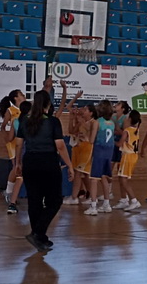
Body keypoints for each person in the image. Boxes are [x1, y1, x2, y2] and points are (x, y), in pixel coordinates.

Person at [14, 90, 74, 252]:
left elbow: (19, 144)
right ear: (48, 104)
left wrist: (17, 163)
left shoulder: (25, 120)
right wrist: (69, 165)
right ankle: (38, 233)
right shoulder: (52, 121)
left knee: (34, 200)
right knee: (55, 201)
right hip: (48, 162)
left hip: (30, 162)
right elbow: (60, 146)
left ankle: (39, 237)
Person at [84, 100, 115, 216]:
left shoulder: (97, 122)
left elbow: (92, 140)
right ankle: (107, 204)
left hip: (99, 152)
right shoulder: (112, 123)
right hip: (108, 152)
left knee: (93, 179)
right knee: (103, 177)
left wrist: (86, 135)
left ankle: (93, 206)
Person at [63, 104, 96, 205]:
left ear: (91, 113)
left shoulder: (93, 122)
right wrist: (72, 118)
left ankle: (74, 197)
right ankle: (90, 195)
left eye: (85, 109)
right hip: (78, 148)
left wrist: (81, 122)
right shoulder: (82, 121)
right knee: (84, 174)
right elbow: (71, 131)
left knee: (78, 173)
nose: (83, 110)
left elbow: (91, 136)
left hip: (87, 148)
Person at [0, 89, 27, 204]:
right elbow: (3, 126)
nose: (24, 95)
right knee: (16, 167)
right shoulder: (11, 110)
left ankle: (15, 193)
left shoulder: (26, 109)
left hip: (24, 142)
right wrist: (7, 139)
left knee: (21, 168)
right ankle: (8, 191)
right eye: (21, 94)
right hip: (14, 143)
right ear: (16, 98)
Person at [6, 100, 32, 214]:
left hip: (20, 150)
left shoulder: (15, 121)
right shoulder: (31, 122)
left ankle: (12, 202)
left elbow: (10, 138)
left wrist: (17, 160)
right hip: (30, 150)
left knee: (20, 177)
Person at [114, 110, 142, 212]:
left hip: (128, 156)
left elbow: (119, 144)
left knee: (123, 180)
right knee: (122, 177)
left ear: (129, 119)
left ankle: (134, 201)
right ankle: (123, 199)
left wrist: (111, 141)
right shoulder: (135, 130)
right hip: (133, 155)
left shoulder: (127, 131)